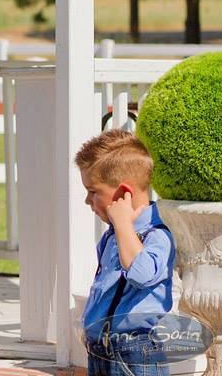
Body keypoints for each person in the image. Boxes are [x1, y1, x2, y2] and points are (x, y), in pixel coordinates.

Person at [77, 129, 175, 376]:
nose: (87, 200)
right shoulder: (111, 236)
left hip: (134, 355)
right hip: (101, 351)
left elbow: (140, 274)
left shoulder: (157, 235)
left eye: (93, 191)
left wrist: (122, 223)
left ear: (123, 192)